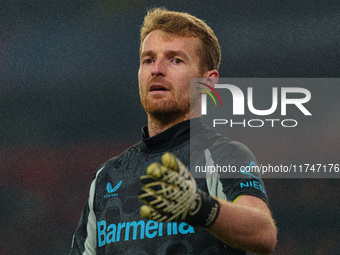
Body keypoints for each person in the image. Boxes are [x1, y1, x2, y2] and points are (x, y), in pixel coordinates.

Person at [70, 7, 277, 255]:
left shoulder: (224, 154)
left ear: (208, 82)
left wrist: (198, 207)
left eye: (175, 60)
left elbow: (263, 233)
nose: (157, 69)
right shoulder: (107, 177)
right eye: (148, 60)